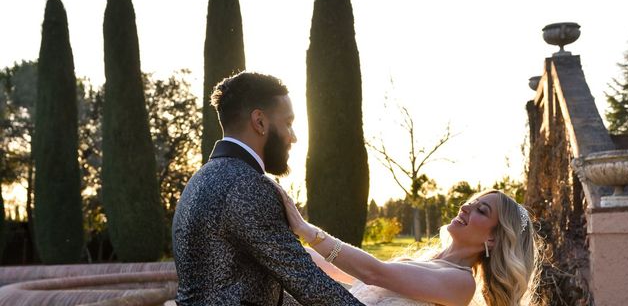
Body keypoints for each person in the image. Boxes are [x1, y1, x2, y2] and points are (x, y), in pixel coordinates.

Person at [172, 71, 364, 306]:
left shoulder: (201, 178)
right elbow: (306, 281)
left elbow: (255, 290)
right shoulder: (247, 185)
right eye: (288, 123)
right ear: (260, 122)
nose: (293, 137)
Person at [272, 184, 542, 306]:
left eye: (481, 210)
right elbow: (353, 274)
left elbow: (373, 272)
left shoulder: (461, 284)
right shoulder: (431, 259)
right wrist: (281, 240)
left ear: (493, 239)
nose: (465, 207)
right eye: (472, 202)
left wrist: (307, 230)